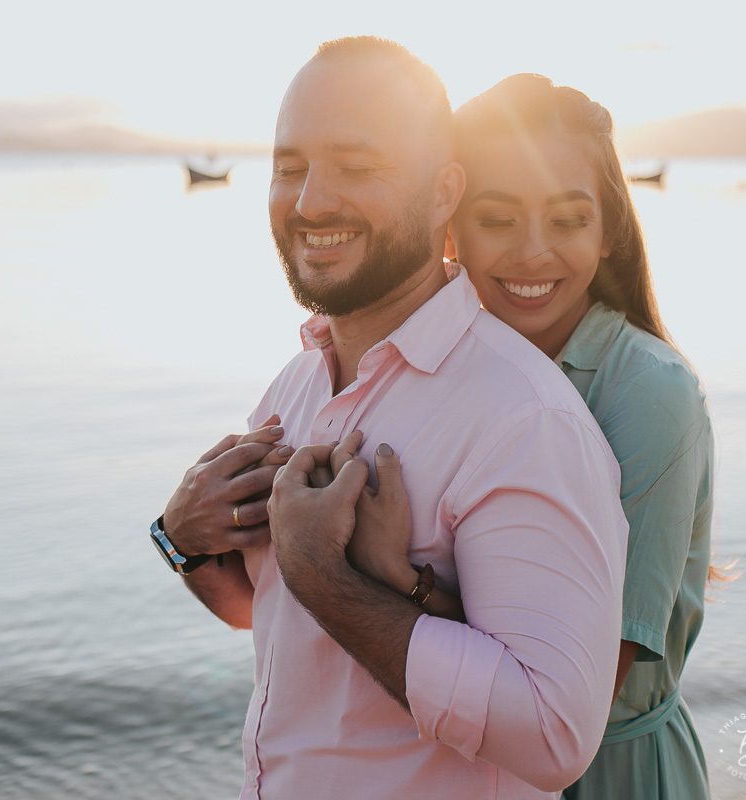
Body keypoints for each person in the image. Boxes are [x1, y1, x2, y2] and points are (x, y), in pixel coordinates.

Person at [150, 37, 629, 798]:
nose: (311, 201)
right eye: (290, 167)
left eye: (356, 166)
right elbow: (261, 612)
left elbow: (554, 734)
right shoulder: (292, 389)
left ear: (443, 194)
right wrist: (182, 542)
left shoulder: (523, 418)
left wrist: (329, 579)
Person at [347, 74, 716, 800]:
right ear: (450, 225)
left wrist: (392, 581)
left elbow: (577, 696)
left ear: (606, 229)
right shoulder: (438, 367)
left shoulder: (646, 393)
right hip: (463, 769)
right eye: (499, 217)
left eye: (570, 220)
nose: (535, 253)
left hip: (606, 775)